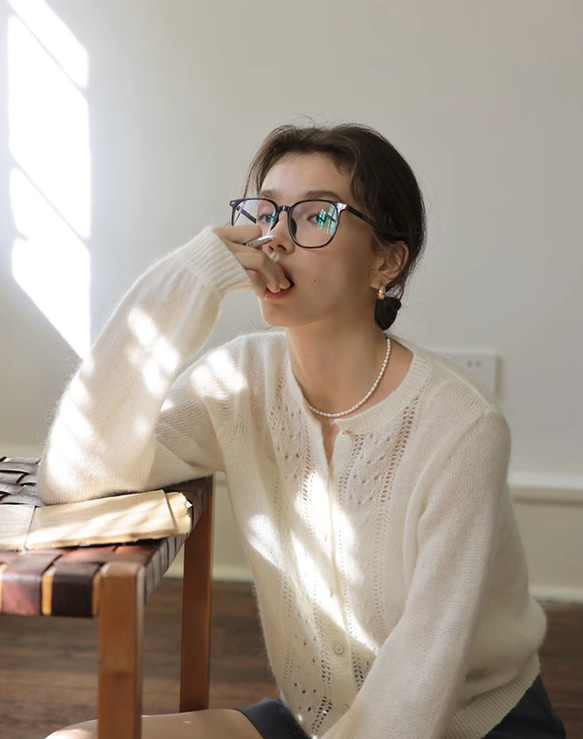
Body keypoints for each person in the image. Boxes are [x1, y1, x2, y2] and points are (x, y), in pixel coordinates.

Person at [41, 124, 566, 739]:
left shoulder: (461, 427)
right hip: (317, 721)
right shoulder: (240, 379)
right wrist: (188, 278)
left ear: (386, 261)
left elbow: (418, 685)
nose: (274, 239)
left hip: (462, 724)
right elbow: (77, 479)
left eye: (314, 217)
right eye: (265, 213)